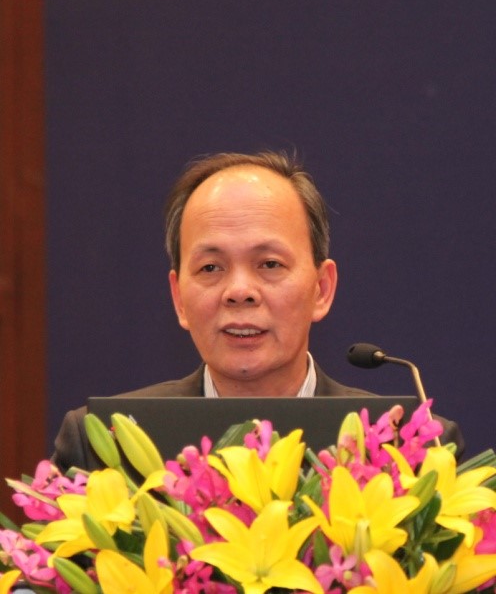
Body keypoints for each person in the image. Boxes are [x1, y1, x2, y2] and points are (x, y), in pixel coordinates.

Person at [52, 150, 464, 471]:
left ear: (321, 289)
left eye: (269, 264)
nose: (239, 292)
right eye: (211, 268)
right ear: (178, 298)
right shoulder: (103, 445)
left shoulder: (413, 448)